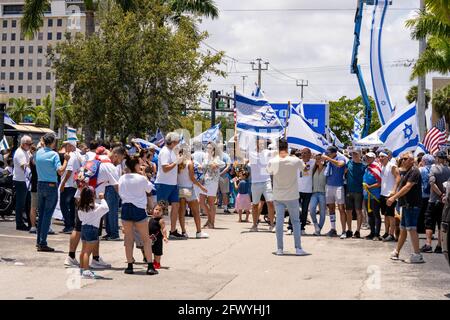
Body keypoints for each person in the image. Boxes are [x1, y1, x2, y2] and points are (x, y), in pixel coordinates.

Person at [267, 138, 308, 256]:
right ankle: (298, 248)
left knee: (279, 221)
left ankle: (280, 249)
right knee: (296, 221)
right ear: (287, 147)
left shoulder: (273, 161)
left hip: (278, 195)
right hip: (292, 195)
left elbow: (269, 172)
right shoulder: (295, 160)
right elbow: (305, 171)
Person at [119, 153, 158, 275]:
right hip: (139, 208)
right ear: (135, 165)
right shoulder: (141, 178)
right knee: (145, 238)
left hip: (126, 207)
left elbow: (120, 192)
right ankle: (150, 266)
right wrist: (144, 175)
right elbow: (150, 189)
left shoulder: (122, 178)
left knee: (128, 238)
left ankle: (130, 265)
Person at [35, 133, 70, 252]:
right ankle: (42, 242)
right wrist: (66, 160)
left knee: (41, 214)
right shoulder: (54, 154)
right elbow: (60, 171)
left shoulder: (38, 152)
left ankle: (39, 241)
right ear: (53, 142)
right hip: (50, 185)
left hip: (40, 184)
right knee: (47, 215)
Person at [388, 151, 425, 264]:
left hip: (412, 205)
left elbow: (407, 187)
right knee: (403, 228)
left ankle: (417, 255)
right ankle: (397, 251)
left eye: (405, 159)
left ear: (411, 160)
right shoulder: (407, 171)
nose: (402, 160)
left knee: (411, 228)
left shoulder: (414, 171)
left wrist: (393, 198)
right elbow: (400, 182)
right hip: (406, 204)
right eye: (402, 159)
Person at [155, 132, 184, 239]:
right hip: (163, 183)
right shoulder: (164, 152)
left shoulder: (172, 151)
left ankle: (173, 230)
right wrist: (176, 162)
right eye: (178, 142)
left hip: (172, 183)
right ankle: (156, 230)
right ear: (173, 142)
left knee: (176, 205)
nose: (179, 144)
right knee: (160, 207)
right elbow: (165, 168)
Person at [77, 187, 109, 279]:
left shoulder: (80, 207)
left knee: (83, 251)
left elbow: (81, 218)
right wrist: (102, 198)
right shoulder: (96, 206)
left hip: (84, 228)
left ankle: (82, 269)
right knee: (87, 252)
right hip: (92, 229)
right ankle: (86, 271)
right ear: (93, 196)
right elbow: (106, 208)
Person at [421, 151, 450, 253]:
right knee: (440, 223)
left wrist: (440, 194)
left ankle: (428, 244)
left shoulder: (434, 169)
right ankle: (439, 245)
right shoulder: (449, 170)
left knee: (429, 223)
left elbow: (432, 183)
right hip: (445, 202)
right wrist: (444, 195)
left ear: (438, 158)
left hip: (433, 200)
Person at [177, 150, 209, 238]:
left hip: (179, 189)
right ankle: (199, 232)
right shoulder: (190, 163)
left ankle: (184, 232)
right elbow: (192, 178)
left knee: (182, 213)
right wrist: (201, 187)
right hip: (188, 189)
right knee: (195, 212)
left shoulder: (177, 164)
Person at [249, 138, 275, 232]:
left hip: (266, 181)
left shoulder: (267, 152)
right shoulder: (251, 153)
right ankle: (254, 225)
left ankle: (272, 225)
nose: (261, 144)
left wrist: (273, 141)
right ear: (256, 143)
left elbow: (278, 152)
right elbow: (238, 152)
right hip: (255, 182)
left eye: (262, 142)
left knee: (270, 203)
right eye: (259, 142)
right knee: (255, 205)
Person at [287, 148, 314, 236]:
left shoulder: (313, 162)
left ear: (310, 154)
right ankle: (290, 227)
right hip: (297, 190)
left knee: (305, 210)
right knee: (294, 209)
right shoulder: (297, 162)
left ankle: (302, 228)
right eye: (302, 153)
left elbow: (322, 159)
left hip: (308, 190)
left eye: (305, 153)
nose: (303, 155)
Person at [322, 146, 347, 237]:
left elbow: (340, 164)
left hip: (338, 186)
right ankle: (333, 229)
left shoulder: (340, 157)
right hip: (329, 185)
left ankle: (344, 230)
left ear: (334, 152)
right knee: (331, 208)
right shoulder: (328, 160)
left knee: (341, 208)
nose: (327, 154)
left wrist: (328, 159)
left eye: (329, 153)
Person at [198, 142, 224, 229]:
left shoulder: (216, 158)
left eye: (209, 148)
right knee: (201, 201)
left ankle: (211, 223)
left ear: (213, 149)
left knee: (211, 203)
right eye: (207, 147)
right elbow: (203, 167)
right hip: (205, 181)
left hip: (213, 182)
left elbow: (222, 164)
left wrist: (215, 165)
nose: (207, 149)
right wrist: (200, 167)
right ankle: (209, 219)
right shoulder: (205, 158)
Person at [59, 141, 81, 234]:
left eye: (67, 145)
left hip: (68, 185)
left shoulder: (71, 156)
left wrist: (63, 183)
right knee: (72, 206)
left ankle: (68, 225)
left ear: (70, 146)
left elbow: (69, 171)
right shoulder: (77, 156)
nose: (65, 147)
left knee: (63, 205)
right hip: (73, 184)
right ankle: (71, 224)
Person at [343, 149, 366, 239]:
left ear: (360, 155)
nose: (354, 156)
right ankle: (349, 230)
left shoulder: (363, 166)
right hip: (349, 191)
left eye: (356, 154)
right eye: (353, 154)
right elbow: (344, 171)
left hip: (359, 192)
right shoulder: (349, 163)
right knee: (348, 211)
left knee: (358, 211)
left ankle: (358, 231)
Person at [379, 150, 401, 242]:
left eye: (382, 156)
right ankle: (387, 232)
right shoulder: (383, 166)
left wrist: (394, 190)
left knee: (391, 216)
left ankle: (391, 234)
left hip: (390, 195)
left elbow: (398, 177)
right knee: (385, 215)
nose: (380, 158)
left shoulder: (392, 166)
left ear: (387, 157)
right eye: (379, 157)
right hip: (383, 194)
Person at [140, 202, 168, 269]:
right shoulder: (151, 218)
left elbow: (163, 229)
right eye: (156, 209)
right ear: (153, 210)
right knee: (149, 250)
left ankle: (157, 263)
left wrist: (165, 237)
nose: (157, 211)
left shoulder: (161, 220)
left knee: (157, 252)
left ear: (162, 213)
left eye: (160, 210)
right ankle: (152, 262)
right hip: (150, 239)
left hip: (157, 239)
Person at [13, 135, 32, 231]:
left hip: (25, 181)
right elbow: (23, 167)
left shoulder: (25, 151)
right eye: (29, 144)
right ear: (24, 144)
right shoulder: (20, 153)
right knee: (21, 203)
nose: (30, 145)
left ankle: (29, 222)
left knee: (28, 203)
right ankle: (19, 223)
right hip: (21, 181)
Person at [362, 152, 382, 241]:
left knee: (376, 214)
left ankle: (377, 234)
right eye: (366, 157)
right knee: (369, 215)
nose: (367, 159)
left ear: (374, 158)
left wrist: (370, 187)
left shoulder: (376, 168)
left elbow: (379, 183)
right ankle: (372, 232)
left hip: (374, 195)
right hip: (367, 195)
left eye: (369, 157)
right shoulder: (367, 168)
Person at [309, 153, 327, 236]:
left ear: (323, 160)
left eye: (319, 159)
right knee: (312, 210)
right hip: (314, 193)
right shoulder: (314, 169)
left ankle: (318, 229)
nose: (317, 160)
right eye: (316, 159)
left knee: (322, 213)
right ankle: (316, 225)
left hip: (323, 193)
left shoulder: (326, 169)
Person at [218, 145, 232, 214]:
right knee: (223, 193)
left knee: (224, 193)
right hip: (219, 176)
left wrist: (220, 173)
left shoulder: (226, 156)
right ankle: (225, 208)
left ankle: (226, 208)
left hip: (223, 176)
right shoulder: (215, 155)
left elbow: (228, 166)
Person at [29, 145, 38, 234]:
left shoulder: (32, 158)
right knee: (35, 207)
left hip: (35, 184)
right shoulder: (37, 158)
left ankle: (33, 226)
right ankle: (33, 226)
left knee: (33, 207)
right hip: (39, 184)